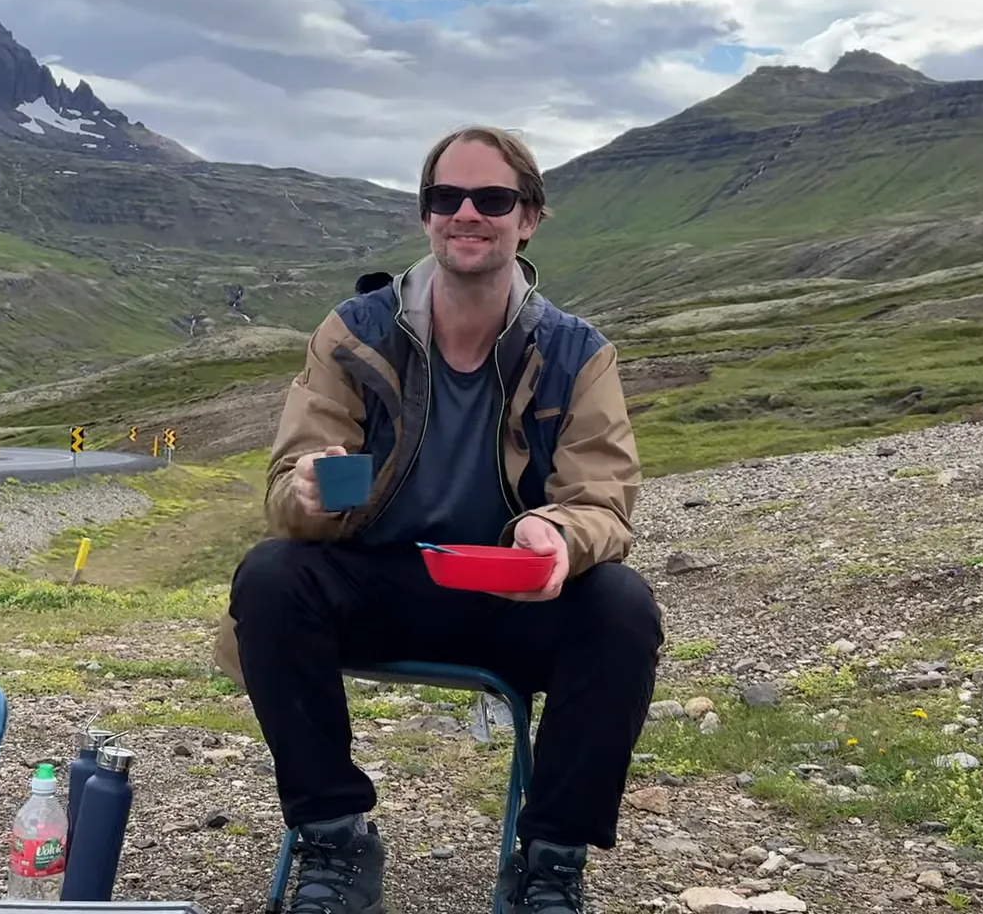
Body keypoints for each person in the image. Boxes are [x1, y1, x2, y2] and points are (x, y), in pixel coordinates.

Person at [211, 125, 664, 914]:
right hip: (380, 586)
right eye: (445, 198)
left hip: (513, 596)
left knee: (622, 605)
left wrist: (557, 537)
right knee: (272, 576)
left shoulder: (577, 352)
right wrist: (307, 494)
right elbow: (287, 481)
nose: (467, 214)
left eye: (492, 199)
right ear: (425, 215)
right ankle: (336, 839)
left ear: (528, 218)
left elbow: (604, 500)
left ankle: (551, 863)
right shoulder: (355, 331)